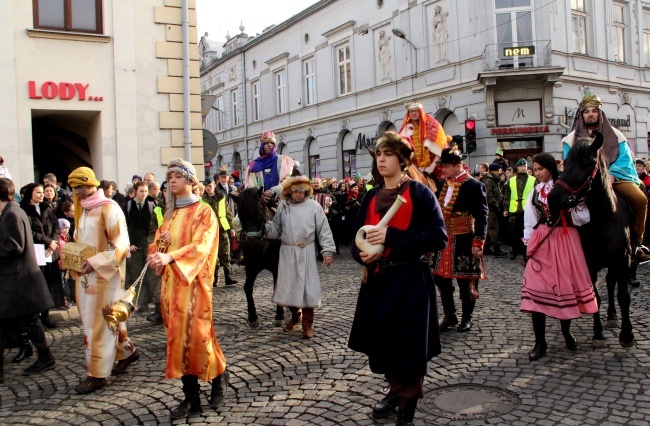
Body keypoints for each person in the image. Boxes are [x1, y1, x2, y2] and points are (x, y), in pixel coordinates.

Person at [348, 132, 447, 425]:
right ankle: (395, 390)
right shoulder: (370, 196)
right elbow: (354, 239)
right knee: (384, 343)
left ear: (403, 160)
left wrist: (392, 236)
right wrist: (361, 255)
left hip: (410, 280)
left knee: (408, 344)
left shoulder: (419, 193)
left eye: (388, 154)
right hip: (378, 281)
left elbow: (438, 237)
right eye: (379, 154)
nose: (381, 159)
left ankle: (407, 403)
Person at [146, 159, 228, 419]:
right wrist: (157, 251)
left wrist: (170, 257)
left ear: (191, 181)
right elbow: (159, 242)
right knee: (178, 341)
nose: (172, 181)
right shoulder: (169, 214)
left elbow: (201, 246)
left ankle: (219, 377)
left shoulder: (204, 212)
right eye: (169, 176)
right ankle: (191, 397)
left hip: (194, 286)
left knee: (199, 336)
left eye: (177, 176)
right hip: (171, 288)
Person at [67, 167, 140, 394]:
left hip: (104, 276)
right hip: (85, 275)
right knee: (108, 317)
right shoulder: (84, 209)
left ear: (92, 184)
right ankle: (127, 351)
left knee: (97, 323)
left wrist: (96, 262)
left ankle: (96, 375)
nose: (78, 192)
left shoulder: (109, 208)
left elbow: (120, 245)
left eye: (81, 186)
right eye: (75, 188)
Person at [521, 153, 598, 360]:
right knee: (535, 288)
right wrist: (528, 245)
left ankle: (566, 331)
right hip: (542, 240)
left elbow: (583, 218)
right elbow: (529, 219)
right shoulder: (535, 191)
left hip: (564, 240)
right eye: (534, 170)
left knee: (565, 287)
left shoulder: (565, 188)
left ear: (551, 169)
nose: (537, 174)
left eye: (540, 169)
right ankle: (540, 342)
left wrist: (574, 206)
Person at [562, 92, 650, 264]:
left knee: (640, 199)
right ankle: (566, 245)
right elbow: (570, 164)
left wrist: (611, 176)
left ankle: (637, 243)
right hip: (584, 184)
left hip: (615, 179)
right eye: (586, 112)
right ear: (582, 115)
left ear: (600, 114)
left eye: (594, 111)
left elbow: (624, 159)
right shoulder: (570, 140)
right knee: (563, 205)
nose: (590, 115)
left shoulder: (617, 136)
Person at [265, 175, 335, 338]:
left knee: (307, 288)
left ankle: (307, 324)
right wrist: (265, 227)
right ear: (289, 191)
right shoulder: (283, 206)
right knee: (289, 286)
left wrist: (328, 250)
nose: (298, 195)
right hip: (287, 251)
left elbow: (323, 229)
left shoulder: (314, 207)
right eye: (295, 191)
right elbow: (276, 228)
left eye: (301, 192)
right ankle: (296, 316)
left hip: (306, 251)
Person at [0, 178, 56, 382]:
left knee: (30, 321)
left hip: (19, 279)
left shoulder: (12, 213)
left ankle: (46, 356)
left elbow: (15, 245)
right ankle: (39, 354)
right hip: (15, 279)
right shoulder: (12, 211)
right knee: (14, 322)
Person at [432, 146, 488, 333]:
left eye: (446, 166)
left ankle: (467, 317)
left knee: (466, 280)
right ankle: (450, 315)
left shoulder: (473, 185)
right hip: (444, 239)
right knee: (440, 279)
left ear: (457, 165)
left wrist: (479, 240)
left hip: (464, 237)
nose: (443, 169)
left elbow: (482, 215)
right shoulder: (442, 184)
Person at [20, 184, 64, 328]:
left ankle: (46, 315)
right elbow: (29, 232)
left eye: (42, 193)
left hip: (50, 251)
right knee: (37, 284)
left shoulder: (47, 207)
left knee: (49, 284)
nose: (41, 195)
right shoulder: (23, 209)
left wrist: (53, 242)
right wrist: (47, 241)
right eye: (38, 192)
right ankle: (35, 318)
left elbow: (56, 227)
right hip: (35, 252)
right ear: (30, 194)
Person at [124, 181, 156, 312]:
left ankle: (156, 303)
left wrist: (152, 242)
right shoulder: (127, 206)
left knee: (151, 273)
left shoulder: (151, 206)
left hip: (148, 243)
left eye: (146, 191)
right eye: (141, 191)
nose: (144, 194)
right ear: (135, 191)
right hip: (134, 245)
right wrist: (128, 244)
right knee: (137, 274)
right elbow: (124, 226)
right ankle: (141, 303)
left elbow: (154, 226)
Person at [203, 176, 237, 286]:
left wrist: (232, 228)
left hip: (222, 229)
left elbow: (228, 213)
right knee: (214, 255)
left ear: (214, 184)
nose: (208, 188)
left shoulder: (221, 197)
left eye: (209, 186)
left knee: (226, 253)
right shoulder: (202, 200)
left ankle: (228, 276)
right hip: (209, 231)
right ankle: (215, 277)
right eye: (206, 186)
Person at [398, 102, 448, 174]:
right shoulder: (405, 129)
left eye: (416, 110)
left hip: (432, 167)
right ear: (408, 113)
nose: (414, 113)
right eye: (411, 111)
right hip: (412, 168)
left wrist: (432, 166)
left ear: (420, 111)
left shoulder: (431, 125)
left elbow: (440, 147)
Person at [245, 131, 295, 202]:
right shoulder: (254, 165)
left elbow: (287, 180)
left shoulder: (283, 160)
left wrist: (274, 190)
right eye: (266, 143)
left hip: (281, 200)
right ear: (262, 145)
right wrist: (259, 196)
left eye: (272, 143)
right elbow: (251, 185)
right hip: (260, 202)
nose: (270, 145)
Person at [504, 159, 536, 260]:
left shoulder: (533, 179)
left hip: (527, 210)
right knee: (513, 233)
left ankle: (525, 252)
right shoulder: (512, 180)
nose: (523, 167)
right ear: (517, 167)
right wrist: (505, 208)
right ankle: (514, 251)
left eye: (524, 166)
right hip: (514, 210)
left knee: (526, 232)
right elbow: (507, 196)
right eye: (521, 166)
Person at [482, 163, 506, 256]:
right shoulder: (488, 181)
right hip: (491, 208)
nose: (500, 172)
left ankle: (487, 248)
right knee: (493, 228)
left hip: (492, 208)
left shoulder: (492, 180)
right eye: (499, 170)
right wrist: (496, 204)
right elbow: (488, 195)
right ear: (494, 171)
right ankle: (496, 249)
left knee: (490, 228)